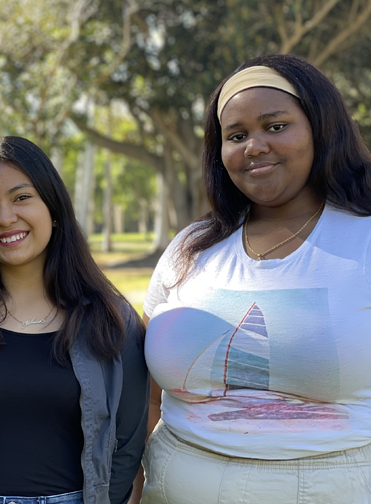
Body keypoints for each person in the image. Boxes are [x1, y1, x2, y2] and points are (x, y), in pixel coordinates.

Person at [139, 54, 371, 503]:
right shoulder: (191, 247)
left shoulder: (363, 239)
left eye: (276, 126)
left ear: (320, 129)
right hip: (173, 488)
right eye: (237, 135)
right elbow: (147, 396)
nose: (254, 146)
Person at [0, 136, 149, 504]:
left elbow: (128, 445)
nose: (5, 218)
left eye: (22, 197)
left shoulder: (112, 322)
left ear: (53, 209)